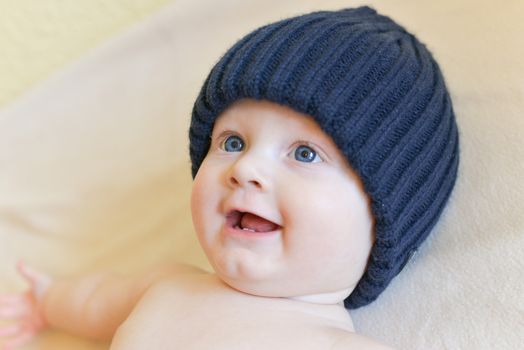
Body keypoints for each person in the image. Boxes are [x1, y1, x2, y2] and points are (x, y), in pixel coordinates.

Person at [0, 6, 459, 350]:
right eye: (232, 143)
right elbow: (94, 302)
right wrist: (47, 300)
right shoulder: (165, 285)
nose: (246, 169)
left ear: (383, 221)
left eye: (304, 153)